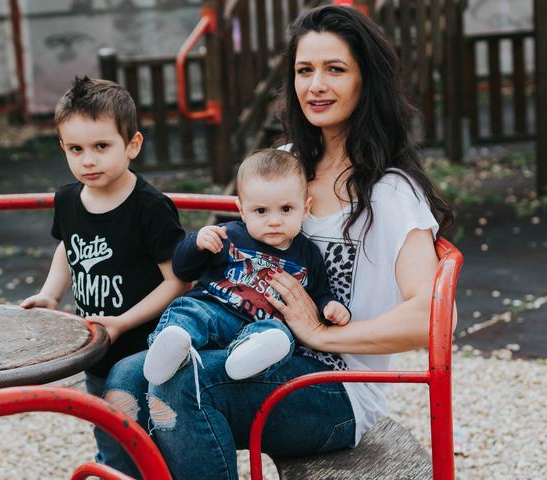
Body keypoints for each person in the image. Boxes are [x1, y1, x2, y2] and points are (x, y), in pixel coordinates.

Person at [98, 5, 455, 479]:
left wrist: (321, 334)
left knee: (185, 386)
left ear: (366, 80)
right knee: (126, 375)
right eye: (305, 70)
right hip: (246, 341)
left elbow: (432, 318)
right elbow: (228, 257)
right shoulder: (284, 164)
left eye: (335, 69)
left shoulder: (389, 192)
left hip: (336, 386)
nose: (316, 85)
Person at [19, 76, 188, 463]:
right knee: (113, 442)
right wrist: (50, 294)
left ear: (132, 145)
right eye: (75, 149)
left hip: (147, 355)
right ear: (62, 147)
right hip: (97, 349)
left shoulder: (149, 207)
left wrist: (123, 323)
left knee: (156, 446)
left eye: (101, 146)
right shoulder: (67, 200)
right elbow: (69, 247)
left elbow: (177, 280)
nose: (88, 160)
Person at [143, 149, 351, 393]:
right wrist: (196, 244)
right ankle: (170, 348)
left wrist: (330, 307)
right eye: (261, 211)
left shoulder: (308, 254)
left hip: (260, 327)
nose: (274, 221)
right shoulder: (228, 235)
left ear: (305, 209)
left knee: (280, 335)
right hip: (216, 310)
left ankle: (247, 360)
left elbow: (320, 293)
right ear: (242, 210)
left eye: (286, 209)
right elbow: (182, 270)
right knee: (190, 311)